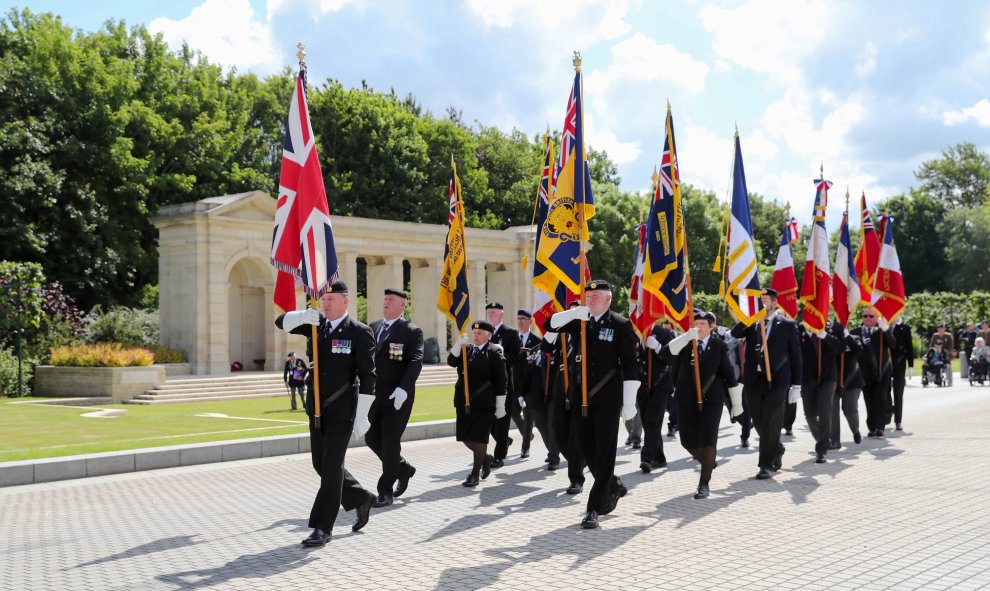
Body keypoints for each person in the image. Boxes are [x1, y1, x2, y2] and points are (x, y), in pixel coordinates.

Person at [275, 280, 376, 548]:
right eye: (323, 298)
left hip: (342, 409)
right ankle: (360, 497)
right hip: (316, 408)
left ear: (346, 301)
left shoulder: (359, 332)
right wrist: (299, 315)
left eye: (331, 299)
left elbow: (368, 376)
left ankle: (322, 527)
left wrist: (363, 415)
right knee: (320, 464)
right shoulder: (315, 324)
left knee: (331, 469)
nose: (325, 303)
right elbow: (279, 322)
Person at [550, 280, 639, 529]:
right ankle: (614, 486)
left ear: (608, 299)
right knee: (589, 451)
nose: (589, 299)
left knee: (605, 451)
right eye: (587, 295)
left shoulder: (620, 325)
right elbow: (549, 325)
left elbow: (631, 363)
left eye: (595, 296)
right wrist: (572, 313)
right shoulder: (580, 321)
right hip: (581, 398)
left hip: (608, 399)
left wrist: (630, 401)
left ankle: (593, 509)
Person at [661, 310, 743, 499]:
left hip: (712, 399)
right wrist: (684, 337)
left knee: (708, 439)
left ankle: (704, 483)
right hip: (686, 398)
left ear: (712, 327)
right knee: (687, 439)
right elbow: (665, 355)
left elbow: (728, 374)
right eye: (695, 324)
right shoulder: (685, 343)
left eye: (702, 324)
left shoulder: (719, 346)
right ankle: (707, 461)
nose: (698, 327)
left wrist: (736, 404)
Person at [730, 288, 802, 480]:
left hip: (778, 381)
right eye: (759, 300)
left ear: (774, 302)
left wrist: (797, 385)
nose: (761, 303)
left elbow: (796, 356)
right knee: (758, 419)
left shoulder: (787, 325)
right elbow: (735, 333)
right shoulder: (753, 322)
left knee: (771, 421)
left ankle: (765, 465)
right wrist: (747, 319)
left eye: (764, 300)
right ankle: (776, 448)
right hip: (755, 380)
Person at [366, 288, 424, 507]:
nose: (386, 302)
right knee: (371, 438)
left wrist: (404, 389)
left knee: (390, 443)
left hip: (397, 396)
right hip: (375, 395)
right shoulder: (373, 327)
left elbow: (415, 362)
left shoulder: (411, 330)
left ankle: (385, 490)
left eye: (391, 300)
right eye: (385, 299)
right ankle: (402, 468)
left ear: (402, 305)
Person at [447, 320, 507, 487]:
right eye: (475, 333)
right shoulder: (466, 350)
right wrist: (458, 346)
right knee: (465, 437)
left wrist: (500, 404)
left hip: (484, 403)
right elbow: (451, 362)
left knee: (480, 439)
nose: (476, 336)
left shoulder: (494, 352)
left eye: (480, 333)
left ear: (488, 336)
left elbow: (502, 380)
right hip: (463, 401)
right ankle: (485, 458)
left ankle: (474, 474)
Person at [541, 304, 586, 494]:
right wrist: (560, 322)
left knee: (576, 433)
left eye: (577, 312)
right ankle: (580, 460)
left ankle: (576, 477)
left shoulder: (585, 331)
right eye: (570, 312)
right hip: (561, 384)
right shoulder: (561, 333)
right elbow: (545, 346)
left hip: (580, 384)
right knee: (559, 433)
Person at [517, 309, 558, 468]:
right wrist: (521, 392)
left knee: (552, 425)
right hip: (536, 396)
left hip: (554, 393)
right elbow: (526, 373)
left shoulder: (558, 350)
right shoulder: (535, 350)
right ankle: (552, 450)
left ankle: (554, 457)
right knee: (541, 425)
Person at [798, 322, 843, 463]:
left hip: (828, 376)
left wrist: (825, 336)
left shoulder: (834, 328)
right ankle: (823, 438)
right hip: (807, 377)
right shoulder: (799, 329)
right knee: (810, 415)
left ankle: (822, 448)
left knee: (825, 411)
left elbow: (841, 346)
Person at [486, 302, 522, 467]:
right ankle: (505, 441)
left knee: (502, 421)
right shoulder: (484, 331)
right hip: (487, 384)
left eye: (494, 312)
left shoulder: (510, 332)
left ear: (502, 314)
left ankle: (499, 456)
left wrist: (500, 354)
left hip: (504, 383)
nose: (491, 314)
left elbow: (516, 357)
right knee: (489, 421)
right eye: (489, 312)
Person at [852, 307, 895, 437]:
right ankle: (871, 427)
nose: (868, 319)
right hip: (865, 372)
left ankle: (880, 427)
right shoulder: (856, 332)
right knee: (869, 399)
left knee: (880, 397)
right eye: (865, 316)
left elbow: (892, 344)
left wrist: (886, 329)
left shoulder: (881, 331)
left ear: (876, 318)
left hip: (882, 370)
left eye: (871, 316)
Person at [640, 320, 676, 471]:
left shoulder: (665, 333)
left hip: (660, 384)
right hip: (641, 384)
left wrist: (658, 347)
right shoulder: (635, 332)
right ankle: (659, 458)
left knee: (653, 422)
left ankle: (647, 458)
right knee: (647, 422)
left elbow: (671, 359)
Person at [829, 320, 864, 448]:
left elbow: (858, 350)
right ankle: (834, 440)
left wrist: (847, 336)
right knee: (832, 411)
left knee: (849, 410)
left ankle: (855, 431)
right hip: (834, 380)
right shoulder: (832, 339)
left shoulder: (854, 337)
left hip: (852, 381)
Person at [514, 309, 540, 460]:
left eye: (524, 319)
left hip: (529, 384)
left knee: (528, 416)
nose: (520, 321)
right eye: (518, 319)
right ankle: (528, 435)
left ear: (530, 321)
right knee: (513, 413)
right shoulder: (513, 339)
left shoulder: (536, 341)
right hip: (514, 383)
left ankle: (525, 448)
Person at [890, 318, 914, 431]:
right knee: (884, 393)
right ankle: (889, 410)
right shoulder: (882, 325)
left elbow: (909, 347)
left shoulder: (904, 328)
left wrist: (911, 365)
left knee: (898, 394)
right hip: (885, 364)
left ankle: (898, 421)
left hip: (899, 364)